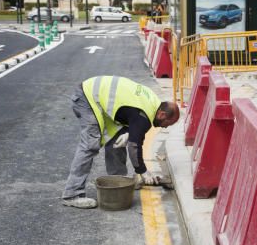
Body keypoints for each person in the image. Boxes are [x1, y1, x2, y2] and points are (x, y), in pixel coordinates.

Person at [62, 76, 180, 209]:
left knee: (116, 141)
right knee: (90, 146)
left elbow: (132, 114)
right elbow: (134, 146)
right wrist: (143, 171)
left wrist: (129, 133)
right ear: (162, 115)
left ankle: (118, 182)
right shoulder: (145, 116)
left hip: (97, 98)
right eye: (167, 124)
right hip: (87, 98)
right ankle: (72, 194)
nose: (165, 127)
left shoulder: (153, 102)